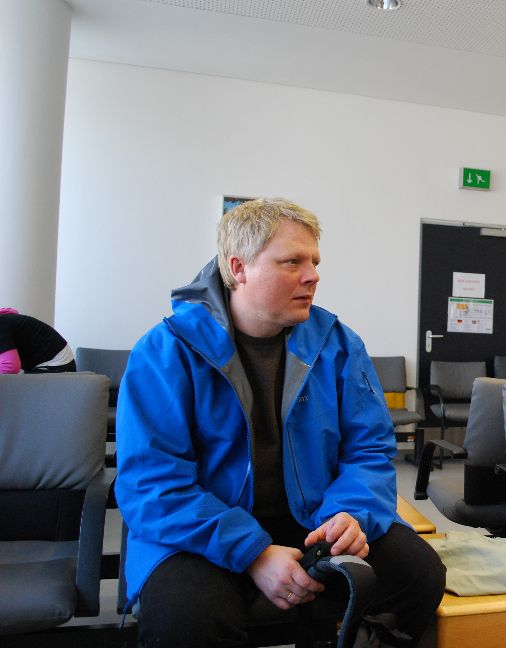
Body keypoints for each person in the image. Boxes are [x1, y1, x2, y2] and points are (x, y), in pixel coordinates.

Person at [115, 198, 445, 647]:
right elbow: (151, 485)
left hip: (315, 519)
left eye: (314, 262)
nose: (312, 276)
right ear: (239, 268)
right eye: (292, 262)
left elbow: (369, 449)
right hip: (202, 530)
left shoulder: (338, 344)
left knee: (419, 574)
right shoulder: (165, 352)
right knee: (186, 617)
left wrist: (350, 514)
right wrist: (253, 553)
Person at [0, 308, 76, 373]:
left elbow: (10, 366)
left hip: (57, 366)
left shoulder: (2, 323)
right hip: (57, 365)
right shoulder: (5, 321)